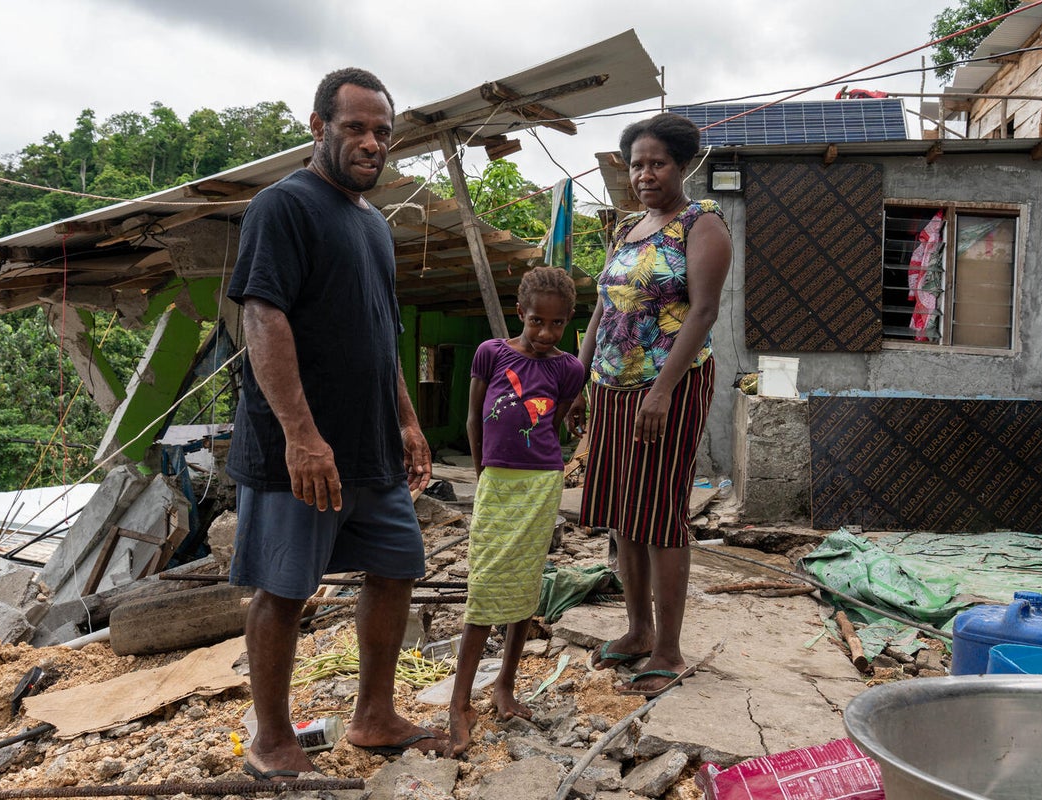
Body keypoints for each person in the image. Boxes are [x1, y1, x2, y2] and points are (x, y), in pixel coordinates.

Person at [225, 67, 444, 779]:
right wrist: (299, 433)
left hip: (370, 445)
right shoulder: (283, 207)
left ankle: (373, 717)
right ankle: (271, 740)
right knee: (285, 589)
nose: (371, 143)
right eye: (355, 127)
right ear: (318, 127)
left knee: (396, 567)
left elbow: (382, 334)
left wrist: (408, 421)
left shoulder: (373, 225)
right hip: (302, 449)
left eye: (382, 131)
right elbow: (262, 315)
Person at [565, 112, 732, 698]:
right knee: (621, 509)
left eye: (656, 162)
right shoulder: (627, 231)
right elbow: (600, 313)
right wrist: (576, 378)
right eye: (636, 164)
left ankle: (668, 648)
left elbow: (703, 312)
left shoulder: (702, 223)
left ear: (682, 164)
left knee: (659, 511)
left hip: (670, 389)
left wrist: (662, 388)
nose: (644, 174)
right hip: (611, 389)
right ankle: (637, 630)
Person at [447, 266, 588, 757]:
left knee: (525, 584)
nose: (546, 333)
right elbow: (473, 417)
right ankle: (459, 701)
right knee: (485, 586)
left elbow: (561, 418)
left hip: (541, 484)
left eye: (556, 325)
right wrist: (483, 472)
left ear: (569, 321)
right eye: (536, 322)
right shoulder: (490, 354)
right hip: (497, 483)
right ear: (519, 314)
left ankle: (506, 685)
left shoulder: (568, 368)